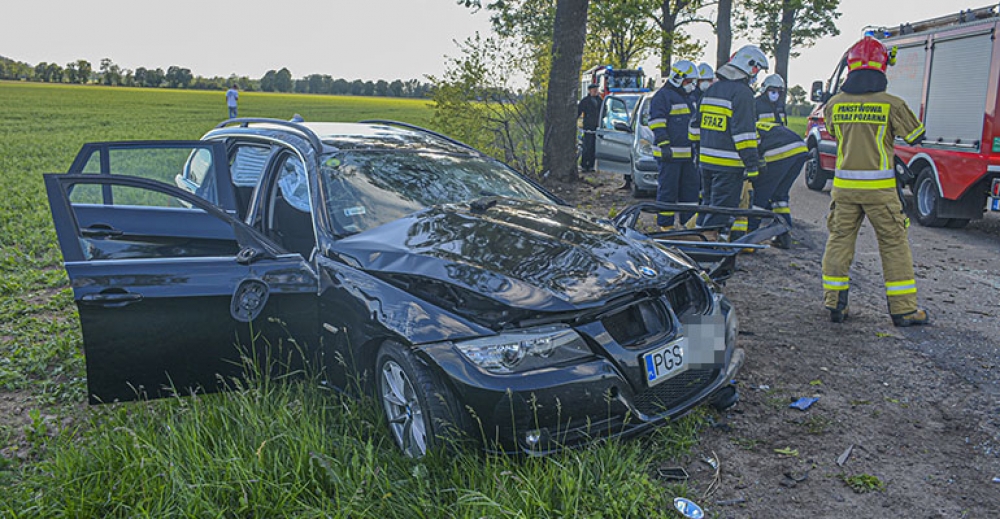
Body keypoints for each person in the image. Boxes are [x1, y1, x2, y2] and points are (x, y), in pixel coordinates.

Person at [821, 36, 929, 327]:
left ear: (850, 68)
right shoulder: (891, 104)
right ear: (882, 67)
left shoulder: (834, 104)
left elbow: (832, 132)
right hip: (880, 192)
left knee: (839, 242)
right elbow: (916, 135)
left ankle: (835, 305)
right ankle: (904, 311)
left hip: (843, 190)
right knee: (893, 245)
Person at [690, 45, 769, 240]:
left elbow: (694, 128)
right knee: (720, 214)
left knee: (708, 207)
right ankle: (708, 255)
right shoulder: (743, 93)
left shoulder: (711, 90)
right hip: (728, 166)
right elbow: (744, 135)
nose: (756, 75)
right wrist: (752, 165)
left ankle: (698, 244)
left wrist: (699, 152)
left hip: (706, 163)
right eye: (757, 69)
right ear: (750, 66)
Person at [649, 60, 699, 229]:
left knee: (691, 191)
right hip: (669, 154)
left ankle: (689, 224)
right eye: (688, 81)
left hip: (688, 155)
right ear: (678, 78)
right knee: (668, 191)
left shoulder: (689, 97)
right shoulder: (662, 97)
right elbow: (657, 122)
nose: (691, 85)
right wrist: (664, 145)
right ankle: (665, 226)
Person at [749, 121, 809, 248]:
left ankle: (750, 236)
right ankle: (783, 234)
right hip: (800, 149)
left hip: (778, 150)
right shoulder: (757, 125)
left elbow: (751, 152)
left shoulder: (746, 129)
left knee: (760, 194)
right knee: (779, 195)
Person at [577, 83, 602, 172]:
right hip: (588, 127)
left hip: (597, 127)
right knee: (586, 146)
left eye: (596, 89)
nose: (595, 91)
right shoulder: (585, 101)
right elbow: (578, 111)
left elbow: (604, 112)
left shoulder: (600, 101)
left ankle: (591, 165)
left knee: (594, 147)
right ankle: (584, 165)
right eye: (594, 89)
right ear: (590, 90)